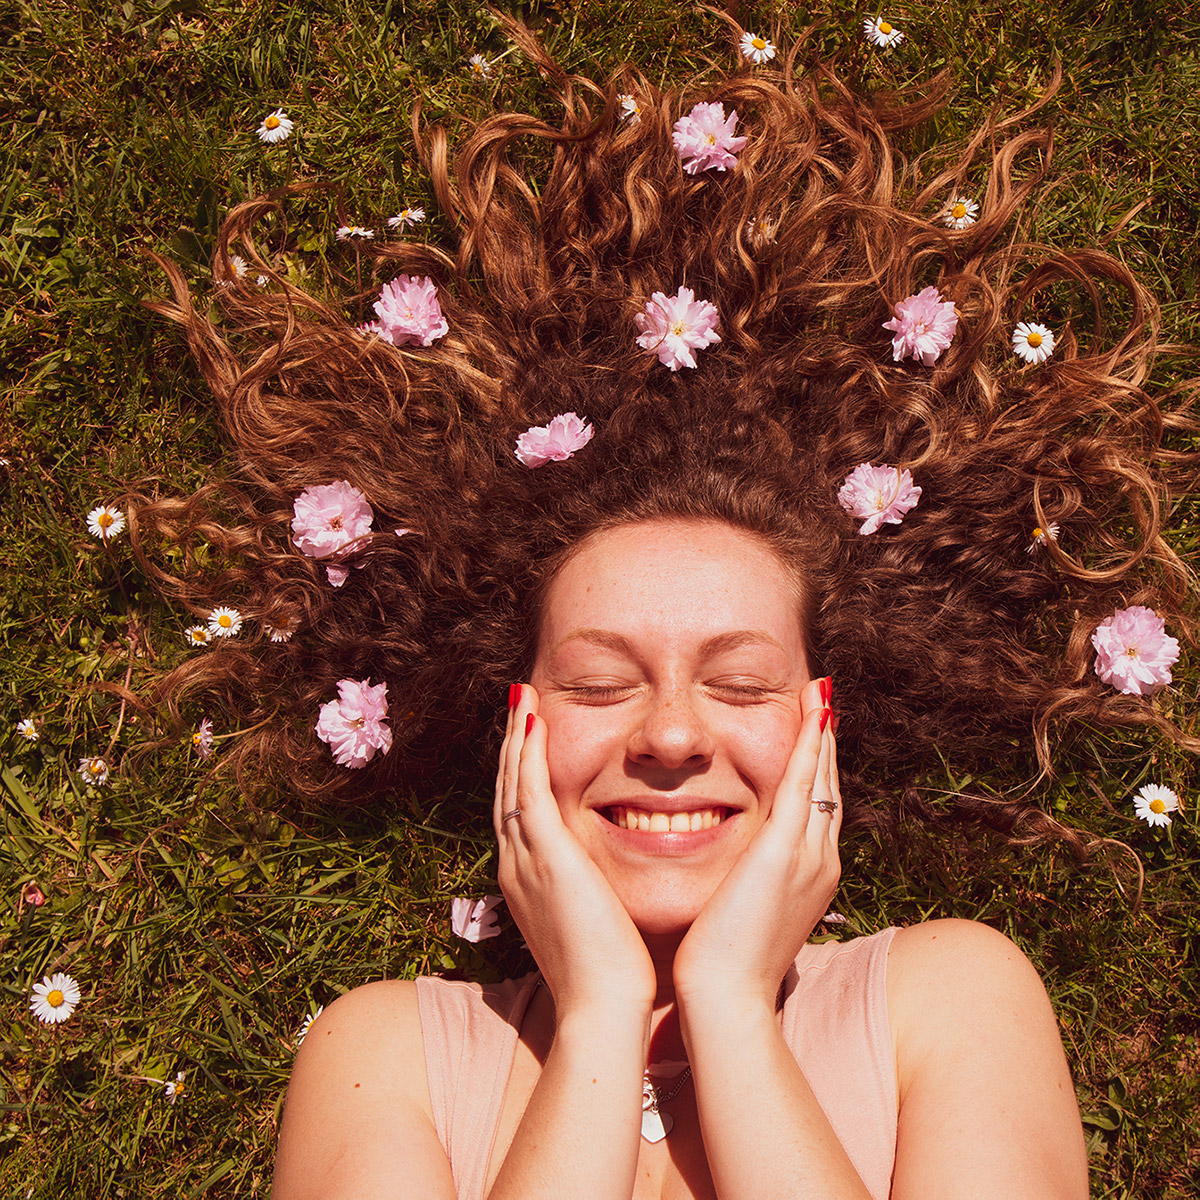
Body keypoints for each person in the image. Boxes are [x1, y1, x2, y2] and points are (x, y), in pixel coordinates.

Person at [136, 19, 1194, 1200]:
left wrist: (735, 1006)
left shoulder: (950, 1001)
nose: (674, 736)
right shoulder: (387, 1056)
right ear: (517, 721)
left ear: (821, 724)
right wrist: (594, 1014)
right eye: (597, 683)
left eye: (742, 683)